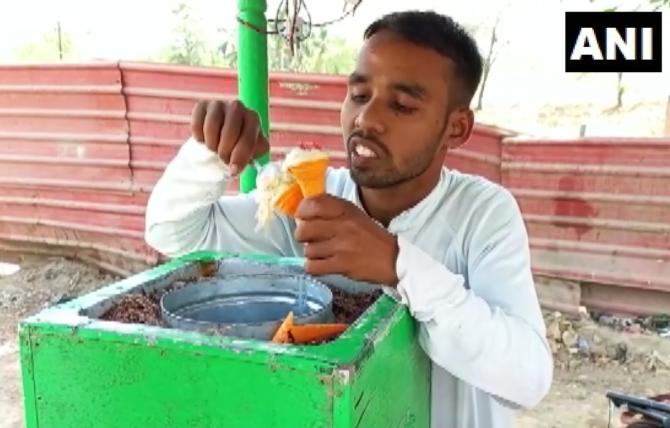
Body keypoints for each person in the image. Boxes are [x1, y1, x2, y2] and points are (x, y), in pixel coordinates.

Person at [145, 10, 553, 428]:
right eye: (359, 95)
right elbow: (174, 232)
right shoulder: (311, 199)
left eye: (402, 105)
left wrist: (397, 265)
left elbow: (529, 378)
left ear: (456, 128)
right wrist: (208, 154)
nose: (367, 120)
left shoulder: (482, 215)